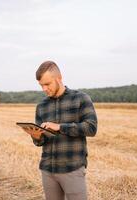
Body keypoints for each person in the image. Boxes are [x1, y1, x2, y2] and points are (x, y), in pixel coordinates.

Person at [23, 61, 97, 200]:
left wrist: (60, 127)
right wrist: (36, 136)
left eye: (47, 84)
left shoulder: (81, 98)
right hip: (47, 170)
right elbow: (40, 142)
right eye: (41, 85)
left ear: (59, 78)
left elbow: (92, 128)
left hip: (72, 168)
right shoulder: (41, 106)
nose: (44, 89)